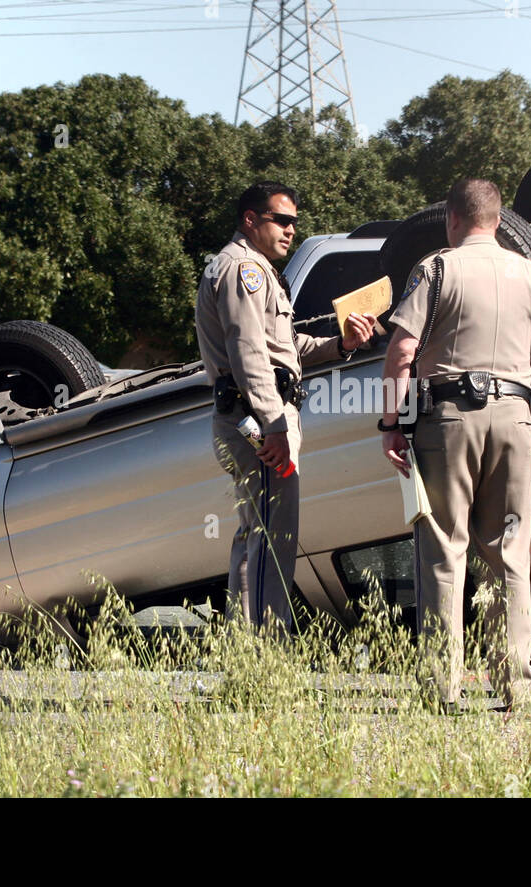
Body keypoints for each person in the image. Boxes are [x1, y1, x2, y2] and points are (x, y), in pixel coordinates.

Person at [379, 178, 531, 711]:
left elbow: (402, 352)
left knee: (444, 550)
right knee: (508, 551)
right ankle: (514, 684)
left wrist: (391, 421)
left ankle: (442, 687)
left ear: (452, 220)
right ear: (500, 222)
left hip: (450, 419)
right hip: (515, 417)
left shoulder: (437, 269)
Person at [196, 181, 375, 630]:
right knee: (272, 535)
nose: (292, 229)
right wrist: (273, 424)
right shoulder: (244, 271)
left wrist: (342, 344)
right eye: (282, 219)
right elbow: (248, 352)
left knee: (256, 531)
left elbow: (284, 346)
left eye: (295, 221)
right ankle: (265, 646)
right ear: (250, 220)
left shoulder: (252, 269)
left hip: (255, 417)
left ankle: (249, 649)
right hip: (258, 420)